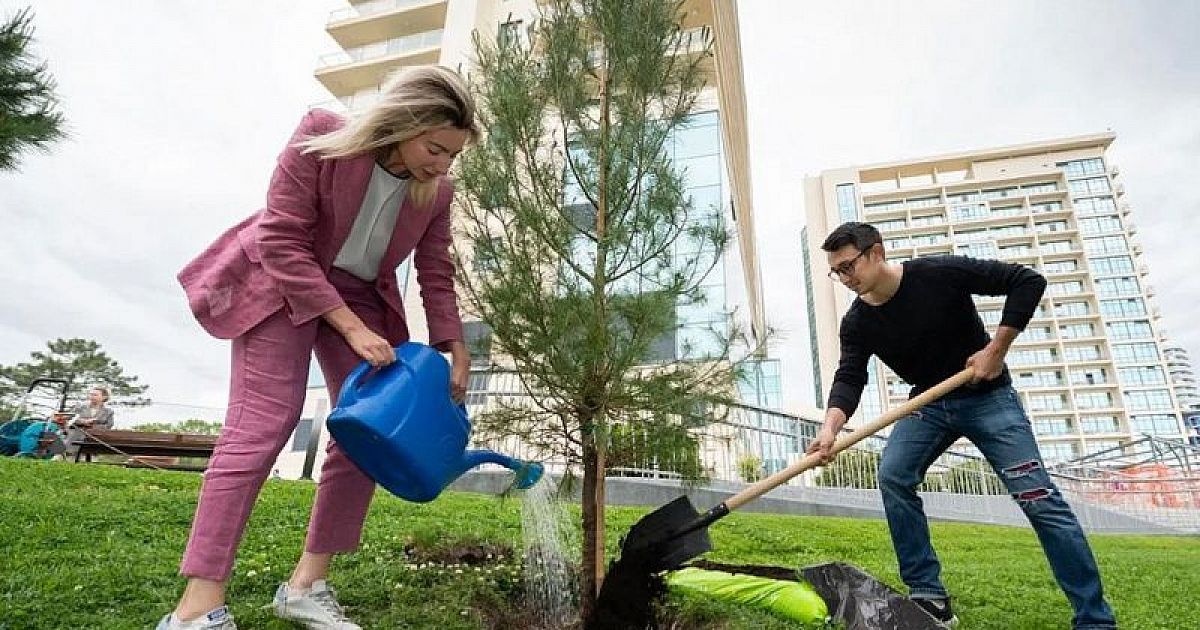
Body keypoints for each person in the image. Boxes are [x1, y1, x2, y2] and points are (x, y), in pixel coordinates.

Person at [158, 65, 478, 630]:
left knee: (366, 429)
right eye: (436, 148)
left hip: (360, 295)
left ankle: (306, 585)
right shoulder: (320, 137)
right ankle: (195, 609)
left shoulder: (436, 192)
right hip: (285, 280)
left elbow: (435, 270)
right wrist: (350, 327)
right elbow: (280, 240)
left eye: (452, 155)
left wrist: (453, 341)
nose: (442, 164)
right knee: (262, 426)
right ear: (403, 123)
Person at [806, 222, 1116, 629]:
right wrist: (830, 428)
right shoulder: (858, 322)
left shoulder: (938, 273)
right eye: (837, 272)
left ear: (876, 253)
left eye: (848, 267)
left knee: (1039, 498)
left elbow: (1026, 281)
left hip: (989, 398)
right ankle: (929, 596)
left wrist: (996, 349)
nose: (845, 279)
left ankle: (1094, 619)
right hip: (928, 403)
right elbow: (850, 377)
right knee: (894, 475)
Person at [63, 386, 115, 457]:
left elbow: (109, 425)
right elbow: (69, 419)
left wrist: (93, 426)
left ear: (104, 397)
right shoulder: (80, 406)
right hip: (75, 437)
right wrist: (83, 422)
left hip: (94, 439)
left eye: (95, 395)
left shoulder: (109, 411)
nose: (92, 397)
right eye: (91, 394)